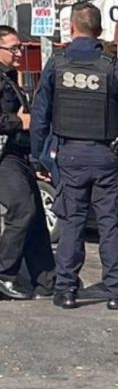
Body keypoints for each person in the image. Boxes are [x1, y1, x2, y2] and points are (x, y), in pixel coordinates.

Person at [30, 2, 118, 310]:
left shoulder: (56, 64)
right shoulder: (113, 66)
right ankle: (116, 291)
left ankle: (66, 290)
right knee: (110, 224)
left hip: (69, 155)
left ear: (71, 28)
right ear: (100, 30)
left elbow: (40, 115)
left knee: (71, 223)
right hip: (107, 155)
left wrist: (38, 157)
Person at [0, 26, 55, 300]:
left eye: (19, 47)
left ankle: (47, 279)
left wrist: (37, 159)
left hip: (19, 156)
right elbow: (11, 120)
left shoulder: (10, 78)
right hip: (3, 157)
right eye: (13, 48)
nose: (19, 53)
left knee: (34, 217)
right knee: (22, 209)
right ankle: (4, 274)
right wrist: (17, 121)